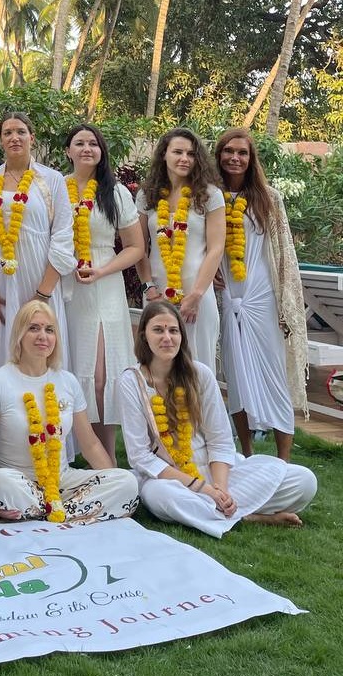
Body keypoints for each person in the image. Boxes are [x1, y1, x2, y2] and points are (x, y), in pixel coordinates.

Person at [118, 300, 317, 538]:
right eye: (158, 330)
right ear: (144, 336)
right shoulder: (131, 382)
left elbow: (220, 440)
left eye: (173, 330)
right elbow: (140, 456)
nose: (167, 338)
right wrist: (203, 489)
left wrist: (220, 489)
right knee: (161, 498)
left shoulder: (199, 374)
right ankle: (248, 516)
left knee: (304, 481)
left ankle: (217, 510)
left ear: (182, 335)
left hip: (217, 470)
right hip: (169, 478)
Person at [0, 301, 139, 524]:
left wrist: (111, 478)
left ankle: (45, 513)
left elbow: (90, 445)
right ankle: (75, 514)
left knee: (127, 482)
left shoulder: (67, 381)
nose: (43, 336)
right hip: (17, 479)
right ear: (19, 334)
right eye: (33, 328)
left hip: (61, 480)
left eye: (49, 330)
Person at [214, 128, 308, 460]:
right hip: (228, 297)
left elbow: (284, 254)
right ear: (219, 155)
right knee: (236, 378)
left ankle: (284, 460)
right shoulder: (210, 198)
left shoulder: (268, 198)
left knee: (274, 374)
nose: (234, 158)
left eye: (242, 152)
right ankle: (248, 454)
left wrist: (287, 304)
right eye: (228, 151)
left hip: (262, 296)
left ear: (251, 159)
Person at [0, 112, 75, 386]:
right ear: (1, 140)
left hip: (41, 283)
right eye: (7, 133)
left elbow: (63, 238)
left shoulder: (52, 180)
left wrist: (42, 294)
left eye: (20, 132)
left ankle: (49, 423)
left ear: (32, 137)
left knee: (42, 351)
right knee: (4, 359)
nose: (14, 137)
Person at [62, 124, 145, 463]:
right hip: (66, 280)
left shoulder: (116, 193)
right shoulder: (55, 187)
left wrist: (102, 271)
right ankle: (75, 452)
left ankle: (107, 457)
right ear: (68, 151)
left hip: (104, 281)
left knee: (102, 376)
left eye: (93, 143)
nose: (86, 148)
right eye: (79, 143)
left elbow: (136, 247)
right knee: (73, 366)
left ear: (101, 151)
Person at [135, 127, 224, 370]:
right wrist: (149, 288)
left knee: (198, 364)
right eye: (177, 152)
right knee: (159, 364)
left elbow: (216, 248)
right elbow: (139, 247)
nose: (184, 158)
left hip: (198, 294)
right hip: (157, 293)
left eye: (191, 153)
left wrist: (196, 295)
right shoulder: (147, 196)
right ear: (164, 154)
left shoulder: (210, 195)